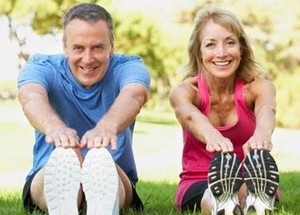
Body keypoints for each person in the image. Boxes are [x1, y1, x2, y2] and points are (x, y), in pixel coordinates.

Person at [17, 3, 150, 215]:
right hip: (47, 175)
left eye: (97, 47)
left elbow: (135, 95)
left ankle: (99, 201)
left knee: (99, 158)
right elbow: (30, 96)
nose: (88, 59)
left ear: (111, 46)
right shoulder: (42, 67)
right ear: (65, 47)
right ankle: (67, 201)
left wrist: (107, 126)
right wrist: (54, 128)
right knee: (66, 155)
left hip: (114, 175)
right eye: (79, 48)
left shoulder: (128, 67)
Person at [169, 6, 280, 215]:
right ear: (199, 52)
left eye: (230, 42)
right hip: (198, 180)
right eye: (211, 44)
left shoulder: (258, 87)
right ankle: (225, 202)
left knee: (246, 187)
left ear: (241, 49)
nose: (221, 53)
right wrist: (212, 135)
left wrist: (262, 134)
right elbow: (189, 116)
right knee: (210, 195)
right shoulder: (185, 92)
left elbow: (267, 109)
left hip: (249, 175)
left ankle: (251, 196)